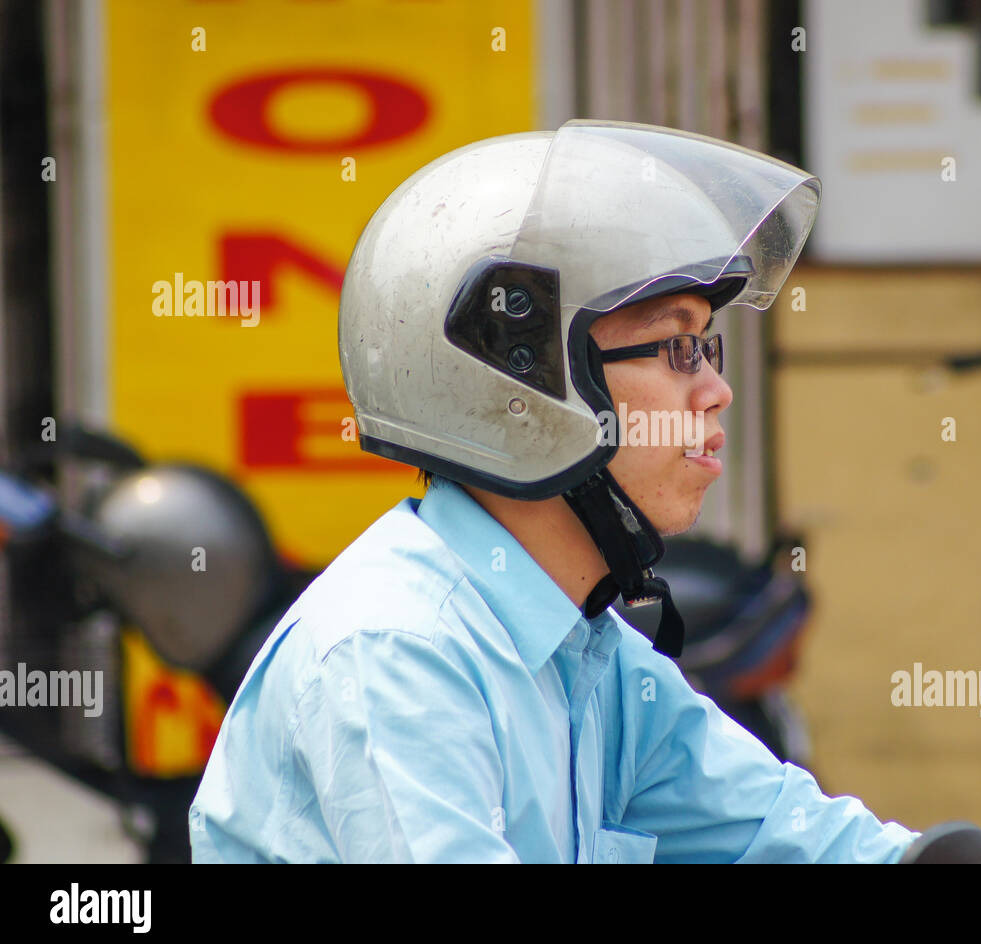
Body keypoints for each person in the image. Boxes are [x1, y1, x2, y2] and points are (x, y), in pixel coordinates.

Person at [189, 120, 920, 863]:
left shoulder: (584, 651)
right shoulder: (401, 653)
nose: (717, 390)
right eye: (677, 347)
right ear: (522, 379)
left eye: (708, 346)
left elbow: (795, 835)